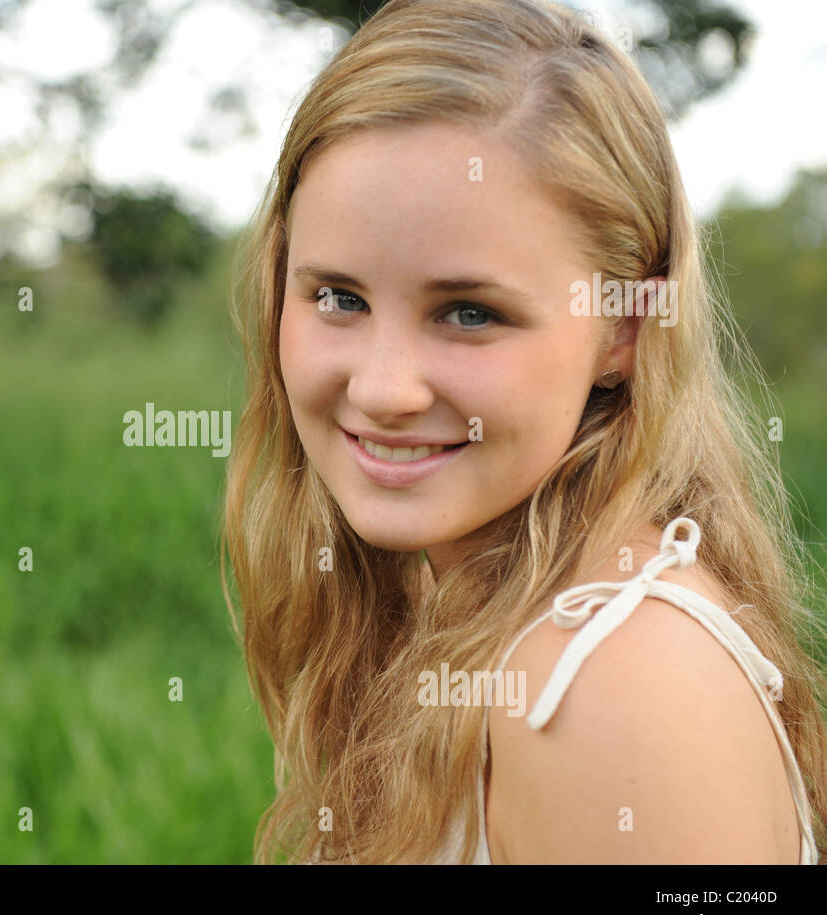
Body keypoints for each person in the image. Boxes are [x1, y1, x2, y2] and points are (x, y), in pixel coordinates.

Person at [219, 0, 826, 864]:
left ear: (623, 331)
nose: (383, 387)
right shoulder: (472, 604)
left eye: (470, 312)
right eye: (338, 298)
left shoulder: (608, 682)